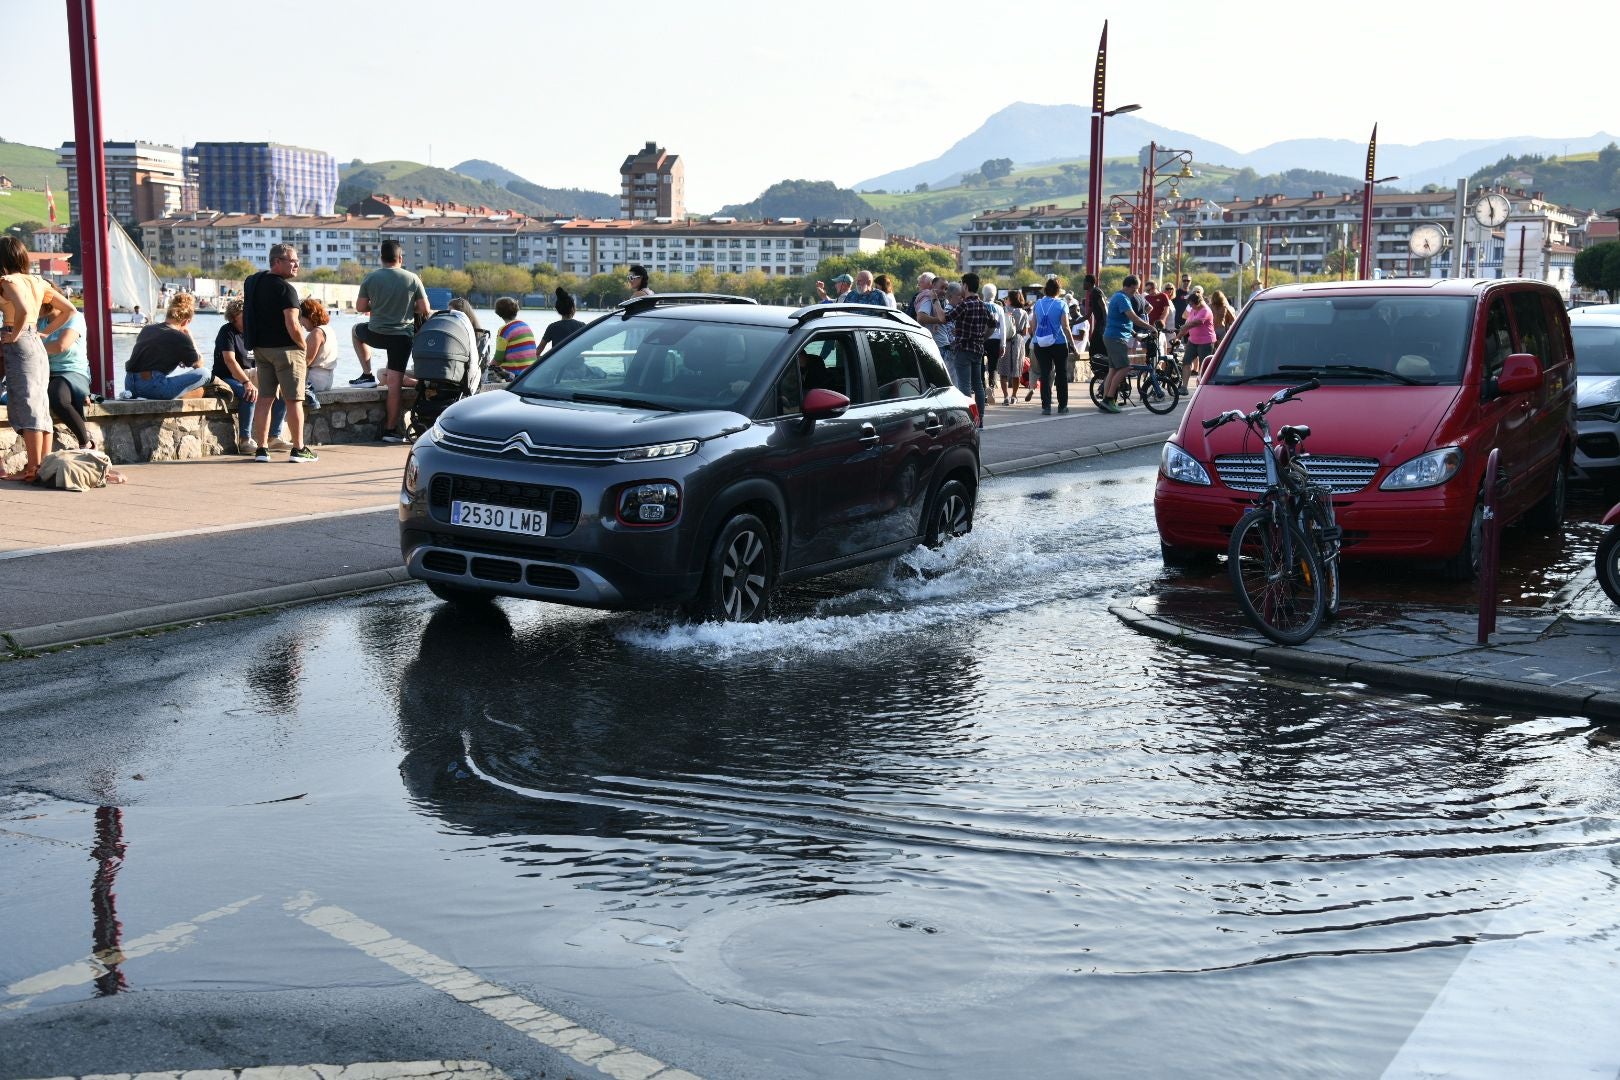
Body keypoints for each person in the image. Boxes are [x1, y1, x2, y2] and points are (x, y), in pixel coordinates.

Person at [1, 237, 72, 482]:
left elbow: (19, 309)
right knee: (40, 403)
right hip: (35, 344)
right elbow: (69, 310)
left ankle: (32, 468)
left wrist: (15, 333)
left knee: (28, 402)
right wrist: (44, 332)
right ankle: (41, 465)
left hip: (19, 341)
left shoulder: (7, 281)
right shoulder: (38, 281)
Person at [242, 244, 317, 462]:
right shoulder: (286, 289)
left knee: (265, 399)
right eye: (292, 261)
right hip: (286, 351)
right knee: (294, 400)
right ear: (277, 261)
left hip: (261, 350)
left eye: (298, 261)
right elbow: (292, 323)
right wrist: (302, 344)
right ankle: (299, 449)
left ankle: (262, 449)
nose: (297, 265)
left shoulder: (254, 282)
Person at [352, 240, 429, 442]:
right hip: (402, 338)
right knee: (394, 384)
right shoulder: (412, 278)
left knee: (356, 331)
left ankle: (367, 374)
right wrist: (407, 308)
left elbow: (360, 307)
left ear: (381, 258)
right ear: (400, 258)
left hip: (376, 334)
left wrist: (378, 305)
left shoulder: (372, 277)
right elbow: (425, 309)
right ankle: (390, 431)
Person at [213, 298, 286, 455]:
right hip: (228, 376)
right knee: (249, 394)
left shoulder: (255, 332)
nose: (248, 319)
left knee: (283, 391)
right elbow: (229, 361)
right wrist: (246, 382)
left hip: (253, 373)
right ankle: (245, 440)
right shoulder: (227, 332)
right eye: (243, 316)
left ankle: (274, 437)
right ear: (233, 317)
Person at [125, 292, 212, 402]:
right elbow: (199, 365)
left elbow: (152, 356)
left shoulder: (147, 329)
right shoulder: (180, 337)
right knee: (205, 373)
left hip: (129, 385)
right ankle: (180, 396)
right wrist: (190, 337)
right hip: (151, 387)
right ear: (186, 321)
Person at [938, 273, 993, 426]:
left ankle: (968, 420)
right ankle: (980, 419)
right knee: (979, 385)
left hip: (963, 349)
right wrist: (983, 337)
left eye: (962, 285)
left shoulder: (964, 305)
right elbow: (993, 325)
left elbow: (943, 318)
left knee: (964, 386)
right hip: (978, 349)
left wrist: (935, 300)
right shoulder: (983, 305)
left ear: (966, 286)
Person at [40, 298, 94, 450]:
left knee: (58, 396)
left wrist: (33, 346)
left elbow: (61, 345)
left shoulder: (75, 317)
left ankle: (86, 443)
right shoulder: (40, 322)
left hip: (72, 371)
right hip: (45, 372)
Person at [1100, 275, 1156, 413]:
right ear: (1129, 286)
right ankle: (1108, 399)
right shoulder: (1122, 298)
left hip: (1113, 336)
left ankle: (1106, 401)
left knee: (1113, 370)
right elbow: (1133, 318)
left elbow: (1123, 321)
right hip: (1116, 338)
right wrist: (1151, 327)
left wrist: (1135, 335)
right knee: (1125, 367)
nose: (1136, 292)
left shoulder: (1118, 297)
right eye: (1135, 289)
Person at [1030, 276, 1079, 415]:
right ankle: (1062, 406)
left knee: (1045, 373)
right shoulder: (1062, 304)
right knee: (1061, 374)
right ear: (1058, 291)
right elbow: (1066, 327)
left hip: (1040, 343)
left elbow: (1033, 325)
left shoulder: (1037, 304)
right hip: (1058, 343)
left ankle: (1046, 406)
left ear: (1045, 290)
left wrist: (1037, 338)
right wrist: (1073, 346)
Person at [1176, 284, 1217, 390]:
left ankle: (1203, 388)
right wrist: (1178, 337)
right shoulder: (1194, 310)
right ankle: (1184, 387)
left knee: (1204, 365)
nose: (1191, 307)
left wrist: (1182, 329)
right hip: (1193, 341)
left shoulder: (1205, 310)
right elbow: (1188, 324)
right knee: (1186, 361)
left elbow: (1194, 323)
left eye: (1192, 304)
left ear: (1198, 303)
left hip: (1206, 342)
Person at [996, 289, 1029, 406]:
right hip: (1018, 341)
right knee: (1017, 370)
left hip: (1005, 341)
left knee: (1003, 371)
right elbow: (1025, 332)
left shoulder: (1003, 310)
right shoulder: (1023, 313)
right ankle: (1014, 396)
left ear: (1010, 299)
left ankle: (1005, 396)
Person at [300, 297, 338, 397]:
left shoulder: (316, 333)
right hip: (328, 379)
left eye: (300, 318)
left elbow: (307, 361)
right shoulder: (329, 330)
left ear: (309, 316)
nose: (300, 322)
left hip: (315, 380)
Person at [493, 296, 538, 379]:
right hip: (530, 371)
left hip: (513, 374)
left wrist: (487, 368)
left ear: (499, 313)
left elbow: (498, 358)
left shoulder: (504, 330)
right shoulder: (525, 325)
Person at [537, 287, 586, 359]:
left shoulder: (552, 327)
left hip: (558, 368)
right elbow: (588, 347)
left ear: (558, 310)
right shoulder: (582, 326)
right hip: (578, 367)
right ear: (573, 309)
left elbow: (538, 352)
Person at [981, 283, 1007, 400]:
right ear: (995, 294)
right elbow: (1003, 327)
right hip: (995, 340)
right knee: (993, 366)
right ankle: (991, 387)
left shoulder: (980, 306)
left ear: (983, 293)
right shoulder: (999, 308)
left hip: (981, 339)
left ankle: (982, 391)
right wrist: (1003, 344)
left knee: (980, 365)